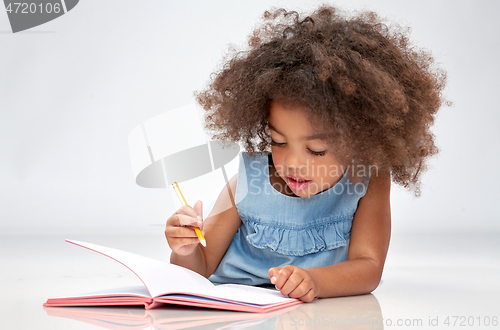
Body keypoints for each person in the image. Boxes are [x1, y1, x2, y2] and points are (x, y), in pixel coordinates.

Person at [165, 5, 449, 302]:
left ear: (361, 140)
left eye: (316, 150)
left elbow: (369, 267)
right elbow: (200, 266)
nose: (293, 164)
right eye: (278, 141)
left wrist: (315, 281)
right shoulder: (249, 182)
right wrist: (185, 249)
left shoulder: (367, 182)